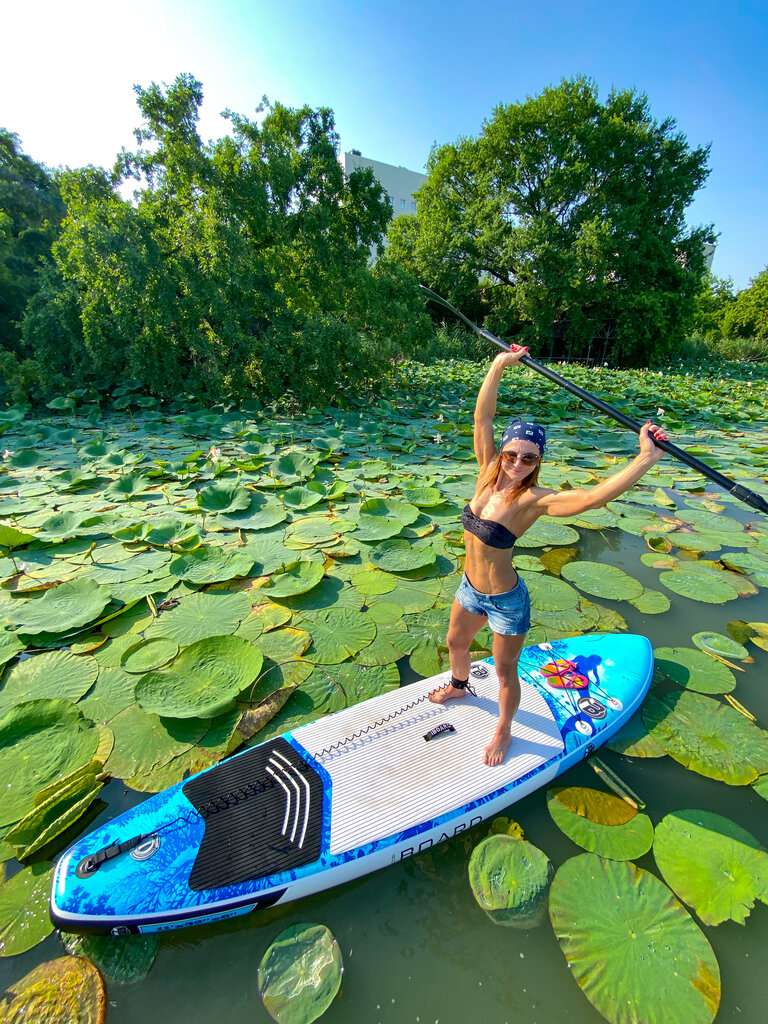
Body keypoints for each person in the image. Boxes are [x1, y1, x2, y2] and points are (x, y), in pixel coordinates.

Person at [428, 345, 669, 766]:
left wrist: (645, 458)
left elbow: (593, 498)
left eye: (529, 457)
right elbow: (482, 417)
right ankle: (459, 685)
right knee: (456, 643)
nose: (518, 463)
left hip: (505, 600)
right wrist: (500, 364)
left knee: (504, 673)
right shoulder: (487, 473)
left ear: (538, 461)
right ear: (502, 452)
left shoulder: (534, 501)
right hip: (469, 589)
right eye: (512, 454)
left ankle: (503, 728)